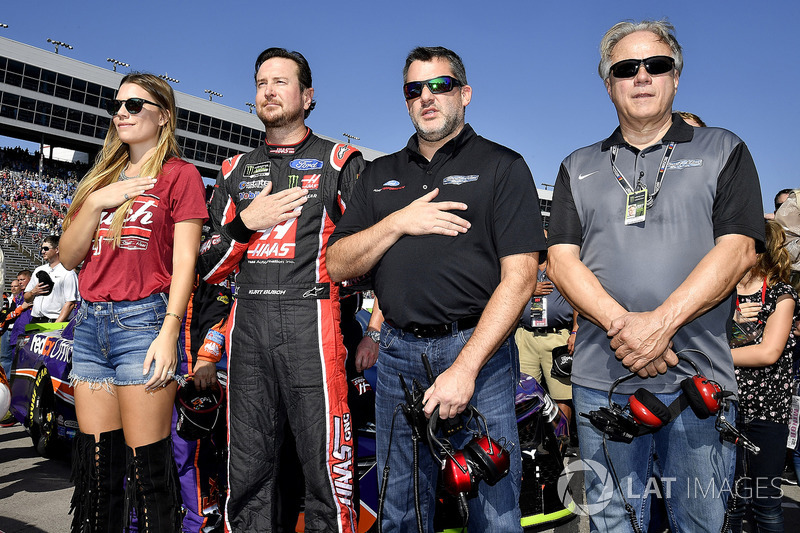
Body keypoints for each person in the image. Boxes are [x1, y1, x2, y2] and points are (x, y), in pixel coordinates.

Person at [547, 20, 764, 532]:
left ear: (676, 77)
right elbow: (560, 261)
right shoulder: (577, 165)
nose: (642, 76)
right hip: (602, 382)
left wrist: (660, 324)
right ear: (608, 84)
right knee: (612, 525)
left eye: (656, 65)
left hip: (697, 378)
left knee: (699, 523)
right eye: (626, 68)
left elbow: (738, 250)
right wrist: (629, 328)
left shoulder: (723, 149)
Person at [327, 46, 544, 532]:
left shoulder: (503, 166)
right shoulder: (380, 174)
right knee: (400, 508)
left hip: (478, 355)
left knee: (494, 510)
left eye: (440, 85)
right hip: (398, 353)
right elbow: (337, 261)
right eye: (414, 89)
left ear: (464, 94)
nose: (427, 97)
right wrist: (399, 222)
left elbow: (522, 278)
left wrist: (465, 369)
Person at [197, 47, 365, 532]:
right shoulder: (232, 171)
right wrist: (246, 223)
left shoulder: (339, 161)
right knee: (246, 470)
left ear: (307, 96)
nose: (268, 91)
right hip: (247, 326)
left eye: (280, 82)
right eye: (260, 82)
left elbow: (366, 252)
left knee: (325, 472)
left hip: (313, 323)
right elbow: (206, 265)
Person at [60, 72, 207, 532]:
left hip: (143, 325)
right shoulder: (99, 179)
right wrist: (98, 201)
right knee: (98, 475)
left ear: (163, 116)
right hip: (89, 326)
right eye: (117, 104)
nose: (121, 112)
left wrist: (169, 330)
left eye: (134, 105)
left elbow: (185, 262)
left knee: (149, 476)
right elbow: (68, 256)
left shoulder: (180, 176)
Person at [728, 220, 798, 532]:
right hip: (724, 407)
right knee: (730, 502)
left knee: (765, 503)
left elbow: (768, 353)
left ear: (758, 252)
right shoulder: (722, 293)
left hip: (767, 414)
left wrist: (716, 355)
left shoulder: (782, 295)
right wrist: (731, 322)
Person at [515, 248, 577, 424]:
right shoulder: (522, 265)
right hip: (526, 336)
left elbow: (578, 302)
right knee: (524, 396)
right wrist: (528, 288)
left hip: (558, 337)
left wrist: (575, 331)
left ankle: (560, 446)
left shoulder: (563, 266)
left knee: (562, 396)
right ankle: (531, 447)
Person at [24, 235, 78, 323]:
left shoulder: (68, 272)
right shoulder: (39, 270)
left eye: (46, 248)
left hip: (54, 321)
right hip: (35, 320)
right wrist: (33, 292)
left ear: (57, 250)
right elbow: (26, 298)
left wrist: (56, 325)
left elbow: (70, 303)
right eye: (41, 248)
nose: (42, 251)